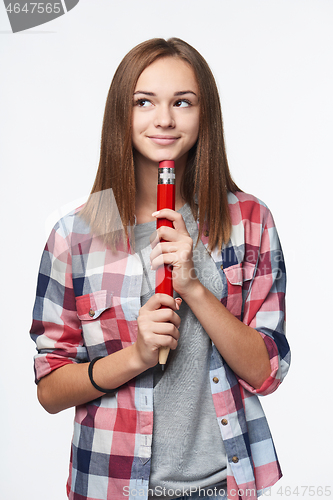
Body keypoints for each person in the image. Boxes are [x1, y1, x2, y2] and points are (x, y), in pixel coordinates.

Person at [30, 38, 290, 500]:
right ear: (121, 115)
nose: (164, 118)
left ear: (203, 114)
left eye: (182, 102)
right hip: (112, 486)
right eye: (144, 101)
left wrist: (192, 285)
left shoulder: (248, 220)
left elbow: (267, 372)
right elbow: (50, 388)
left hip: (223, 487)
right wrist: (135, 357)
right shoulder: (78, 233)